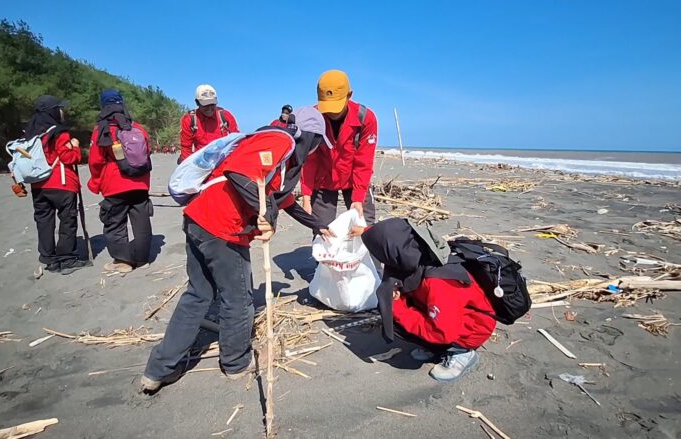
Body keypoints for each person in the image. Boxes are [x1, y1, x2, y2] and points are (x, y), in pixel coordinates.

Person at [141, 107, 334, 393]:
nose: (317, 149)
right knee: (238, 298)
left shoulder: (280, 154)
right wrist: (264, 213)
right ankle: (235, 362)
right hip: (222, 227)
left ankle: (159, 369)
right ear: (309, 136)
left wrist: (318, 226)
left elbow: (283, 201)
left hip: (199, 219)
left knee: (198, 295)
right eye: (317, 142)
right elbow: (239, 173)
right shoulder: (281, 141)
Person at [361, 218, 495, 382]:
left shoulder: (438, 282)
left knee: (395, 314)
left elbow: (442, 332)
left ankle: (462, 352)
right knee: (387, 301)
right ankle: (435, 348)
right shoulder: (416, 255)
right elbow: (383, 235)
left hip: (472, 328)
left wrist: (398, 307)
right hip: (444, 316)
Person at [301, 70, 378, 228]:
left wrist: (357, 198)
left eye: (336, 105)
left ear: (349, 95)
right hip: (323, 179)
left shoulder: (366, 119)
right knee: (321, 228)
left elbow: (363, 162)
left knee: (364, 226)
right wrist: (306, 196)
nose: (331, 112)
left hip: (354, 178)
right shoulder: (313, 118)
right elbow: (309, 160)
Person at [88, 90, 154, 273]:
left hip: (115, 183)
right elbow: (145, 154)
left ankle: (123, 261)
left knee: (115, 222)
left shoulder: (101, 129)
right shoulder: (137, 127)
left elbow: (95, 161)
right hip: (139, 182)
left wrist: (95, 183)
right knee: (141, 220)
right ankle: (142, 260)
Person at [25, 95, 90, 275]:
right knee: (67, 220)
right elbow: (69, 158)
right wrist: (75, 146)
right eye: (59, 108)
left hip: (38, 184)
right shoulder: (59, 131)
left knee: (44, 222)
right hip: (61, 183)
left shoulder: (31, 133)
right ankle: (67, 258)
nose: (62, 111)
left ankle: (49, 258)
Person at [178, 84, 239, 164]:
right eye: (206, 105)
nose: (210, 109)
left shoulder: (226, 116)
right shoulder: (189, 120)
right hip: (201, 162)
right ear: (197, 103)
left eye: (212, 104)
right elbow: (186, 148)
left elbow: (237, 141)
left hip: (224, 161)